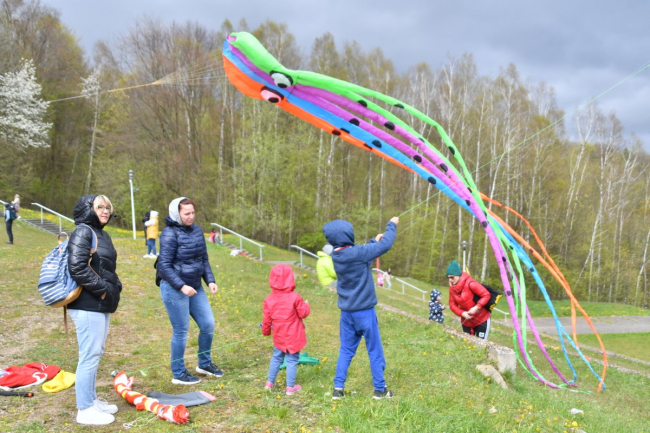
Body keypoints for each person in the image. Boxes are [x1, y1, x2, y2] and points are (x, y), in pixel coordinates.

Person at [323, 216, 399, 400]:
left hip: (347, 313)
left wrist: (374, 241)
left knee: (346, 350)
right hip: (364, 313)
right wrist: (392, 226)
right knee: (374, 350)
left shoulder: (337, 254)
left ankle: (338, 389)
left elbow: (361, 254)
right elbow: (383, 247)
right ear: (348, 235)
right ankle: (380, 390)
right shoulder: (357, 254)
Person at [67, 195, 122, 425]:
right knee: (88, 356)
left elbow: (104, 267)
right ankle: (85, 409)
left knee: (95, 353)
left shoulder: (102, 234)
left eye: (108, 207)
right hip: (87, 303)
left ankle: (92, 401)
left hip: (100, 303)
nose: (105, 211)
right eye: (100, 207)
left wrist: (113, 288)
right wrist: (102, 290)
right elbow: (77, 267)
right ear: (89, 209)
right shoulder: (82, 231)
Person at [158, 197, 222, 385]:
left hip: (195, 286)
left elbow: (203, 259)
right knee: (181, 330)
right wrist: (182, 286)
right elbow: (164, 266)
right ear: (176, 214)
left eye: (193, 212)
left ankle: (204, 364)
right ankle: (178, 373)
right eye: (187, 213)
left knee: (208, 324)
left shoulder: (196, 230)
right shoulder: (169, 234)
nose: (191, 217)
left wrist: (210, 280)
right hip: (174, 288)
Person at [262, 264, 310, 396]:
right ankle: (290, 387)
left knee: (276, 358)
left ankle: (269, 383)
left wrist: (266, 331)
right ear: (290, 278)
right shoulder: (295, 297)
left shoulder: (269, 299)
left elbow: (266, 320)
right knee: (292, 360)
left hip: (279, 336)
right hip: (293, 336)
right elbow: (303, 313)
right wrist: (306, 305)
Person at [446, 260, 492, 340]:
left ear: (458, 275)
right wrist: (462, 313)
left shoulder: (470, 283)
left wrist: (476, 307)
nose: (450, 280)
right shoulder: (452, 289)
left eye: (452, 277)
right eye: (448, 277)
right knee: (467, 343)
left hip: (482, 319)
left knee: (481, 344)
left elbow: (486, 295)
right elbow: (452, 305)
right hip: (466, 321)